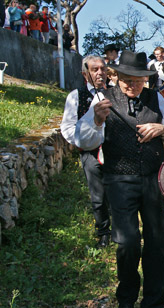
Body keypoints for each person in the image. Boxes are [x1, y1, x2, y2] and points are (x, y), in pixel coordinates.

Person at [75, 51, 164, 308]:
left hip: (153, 178)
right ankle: (125, 303)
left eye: (138, 79)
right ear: (116, 76)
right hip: (119, 179)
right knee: (128, 242)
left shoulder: (156, 98)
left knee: (157, 243)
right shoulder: (102, 99)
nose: (132, 84)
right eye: (126, 79)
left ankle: (154, 306)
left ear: (145, 79)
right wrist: (95, 121)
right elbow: (83, 140)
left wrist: (161, 129)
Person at [60, 55, 112, 249]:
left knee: (117, 189)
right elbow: (67, 126)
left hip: (114, 149)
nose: (100, 73)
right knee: (97, 195)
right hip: (90, 152)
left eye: (103, 69)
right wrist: (80, 142)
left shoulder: (115, 93)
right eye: (95, 69)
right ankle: (103, 232)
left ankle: (122, 229)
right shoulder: (76, 96)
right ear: (85, 74)